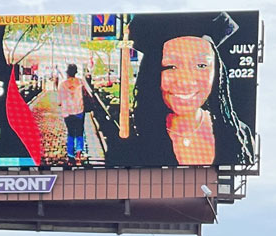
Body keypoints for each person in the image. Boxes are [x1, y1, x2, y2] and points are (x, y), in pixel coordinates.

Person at [107, 12, 256, 168]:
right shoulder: (132, 143)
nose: (185, 81)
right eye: (171, 66)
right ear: (153, 74)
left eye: (201, 65)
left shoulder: (238, 135)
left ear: (217, 74)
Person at [57, 63, 90, 165]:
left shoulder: (62, 85)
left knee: (70, 133)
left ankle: (71, 158)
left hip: (67, 113)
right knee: (80, 133)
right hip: (79, 111)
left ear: (67, 73)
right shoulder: (81, 82)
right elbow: (90, 92)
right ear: (76, 72)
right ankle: (78, 157)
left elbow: (59, 102)